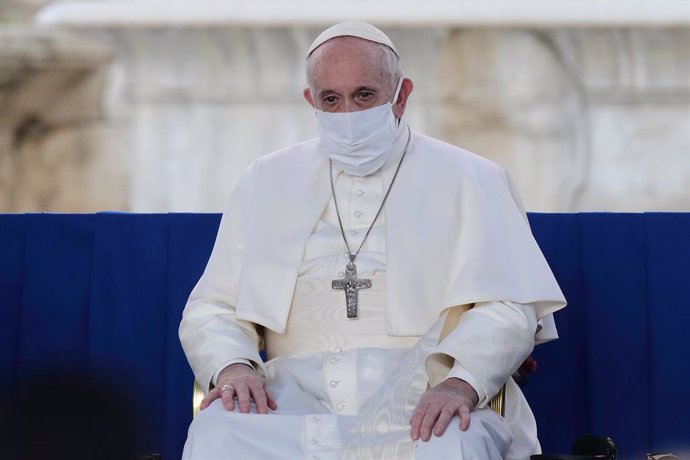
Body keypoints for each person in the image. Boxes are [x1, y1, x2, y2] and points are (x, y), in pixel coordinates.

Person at [179, 21, 566, 459]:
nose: (348, 115)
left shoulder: (471, 178)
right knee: (217, 433)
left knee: (450, 442)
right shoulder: (265, 180)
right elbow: (212, 307)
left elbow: (510, 307)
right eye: (331, 99)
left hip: (424, 396)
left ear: (401, 95)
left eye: (364, 95)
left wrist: (462, 383)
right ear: (312, 102)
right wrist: (233, 368)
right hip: (291, 401)